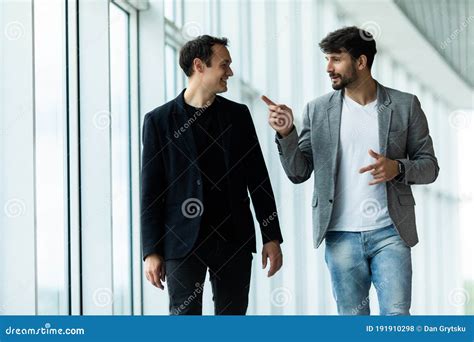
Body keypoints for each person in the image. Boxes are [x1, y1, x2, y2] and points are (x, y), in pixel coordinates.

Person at [263, 26, 439, 315]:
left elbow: (430, 167)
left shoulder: (405, 105)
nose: (328, 68)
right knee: (352, 321)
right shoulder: (317, 111)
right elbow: (299, 172)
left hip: (391, 232)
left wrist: (397, 167)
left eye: (335, 59)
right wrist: (287, 133)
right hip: (340, 234)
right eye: (326, 60)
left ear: (361, 62)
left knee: (397, 317)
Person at [141, 35, 283, 315]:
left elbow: (258, 179)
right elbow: (151, 191)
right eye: (224, 64)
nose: (230, 72)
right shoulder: (158, 120)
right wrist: (151, 250)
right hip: (181, 241)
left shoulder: (238, 116)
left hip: (233, 239)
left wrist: (271, 236)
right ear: (199, 65)